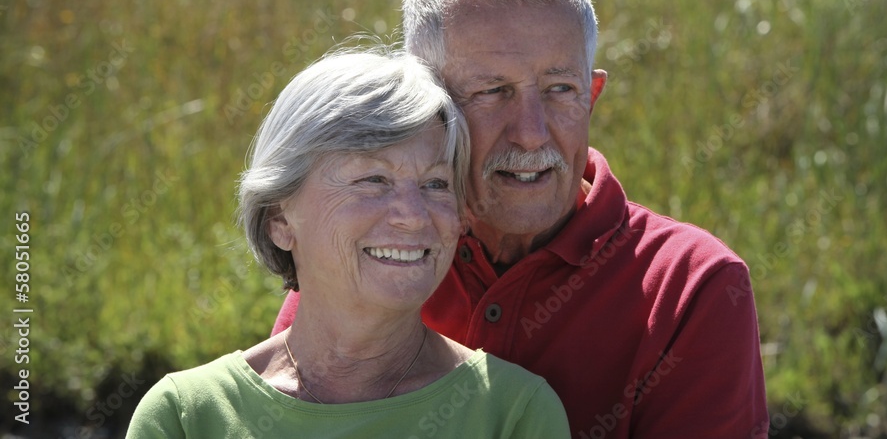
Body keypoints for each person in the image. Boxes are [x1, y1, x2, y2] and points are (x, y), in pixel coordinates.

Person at [274, 0, 770, 437]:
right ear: (426, 105)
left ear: (591, 96)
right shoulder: (372, 246)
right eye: (493, 92)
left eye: (560, 90)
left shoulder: (691, 286)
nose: (531, 132)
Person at [127, 49, 570, 438]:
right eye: (372, 180)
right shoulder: (186, 417)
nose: (413, 215)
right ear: (280, 218)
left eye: (435, 184)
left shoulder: (513, 414)